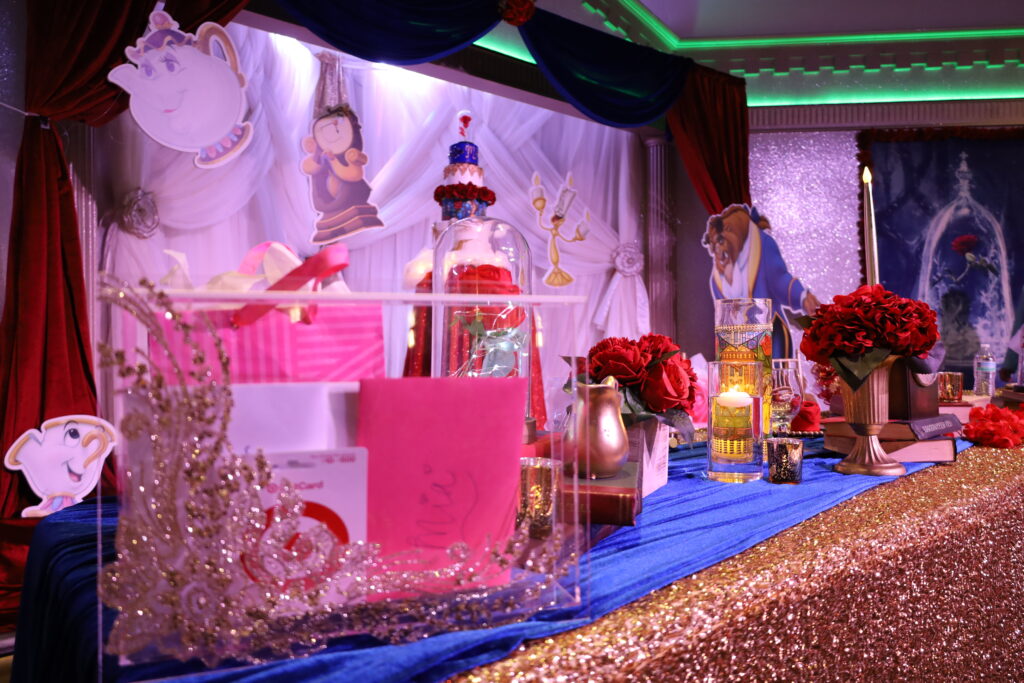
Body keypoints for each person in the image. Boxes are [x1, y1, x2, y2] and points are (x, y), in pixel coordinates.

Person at [703, 204, 820, 356]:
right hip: (737, 349)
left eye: (721, 246)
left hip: (770, 338)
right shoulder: (716, 279)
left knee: (775, 378)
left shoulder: (762, 245)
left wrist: (802, 297)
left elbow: (779, 279)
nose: (719, 255)